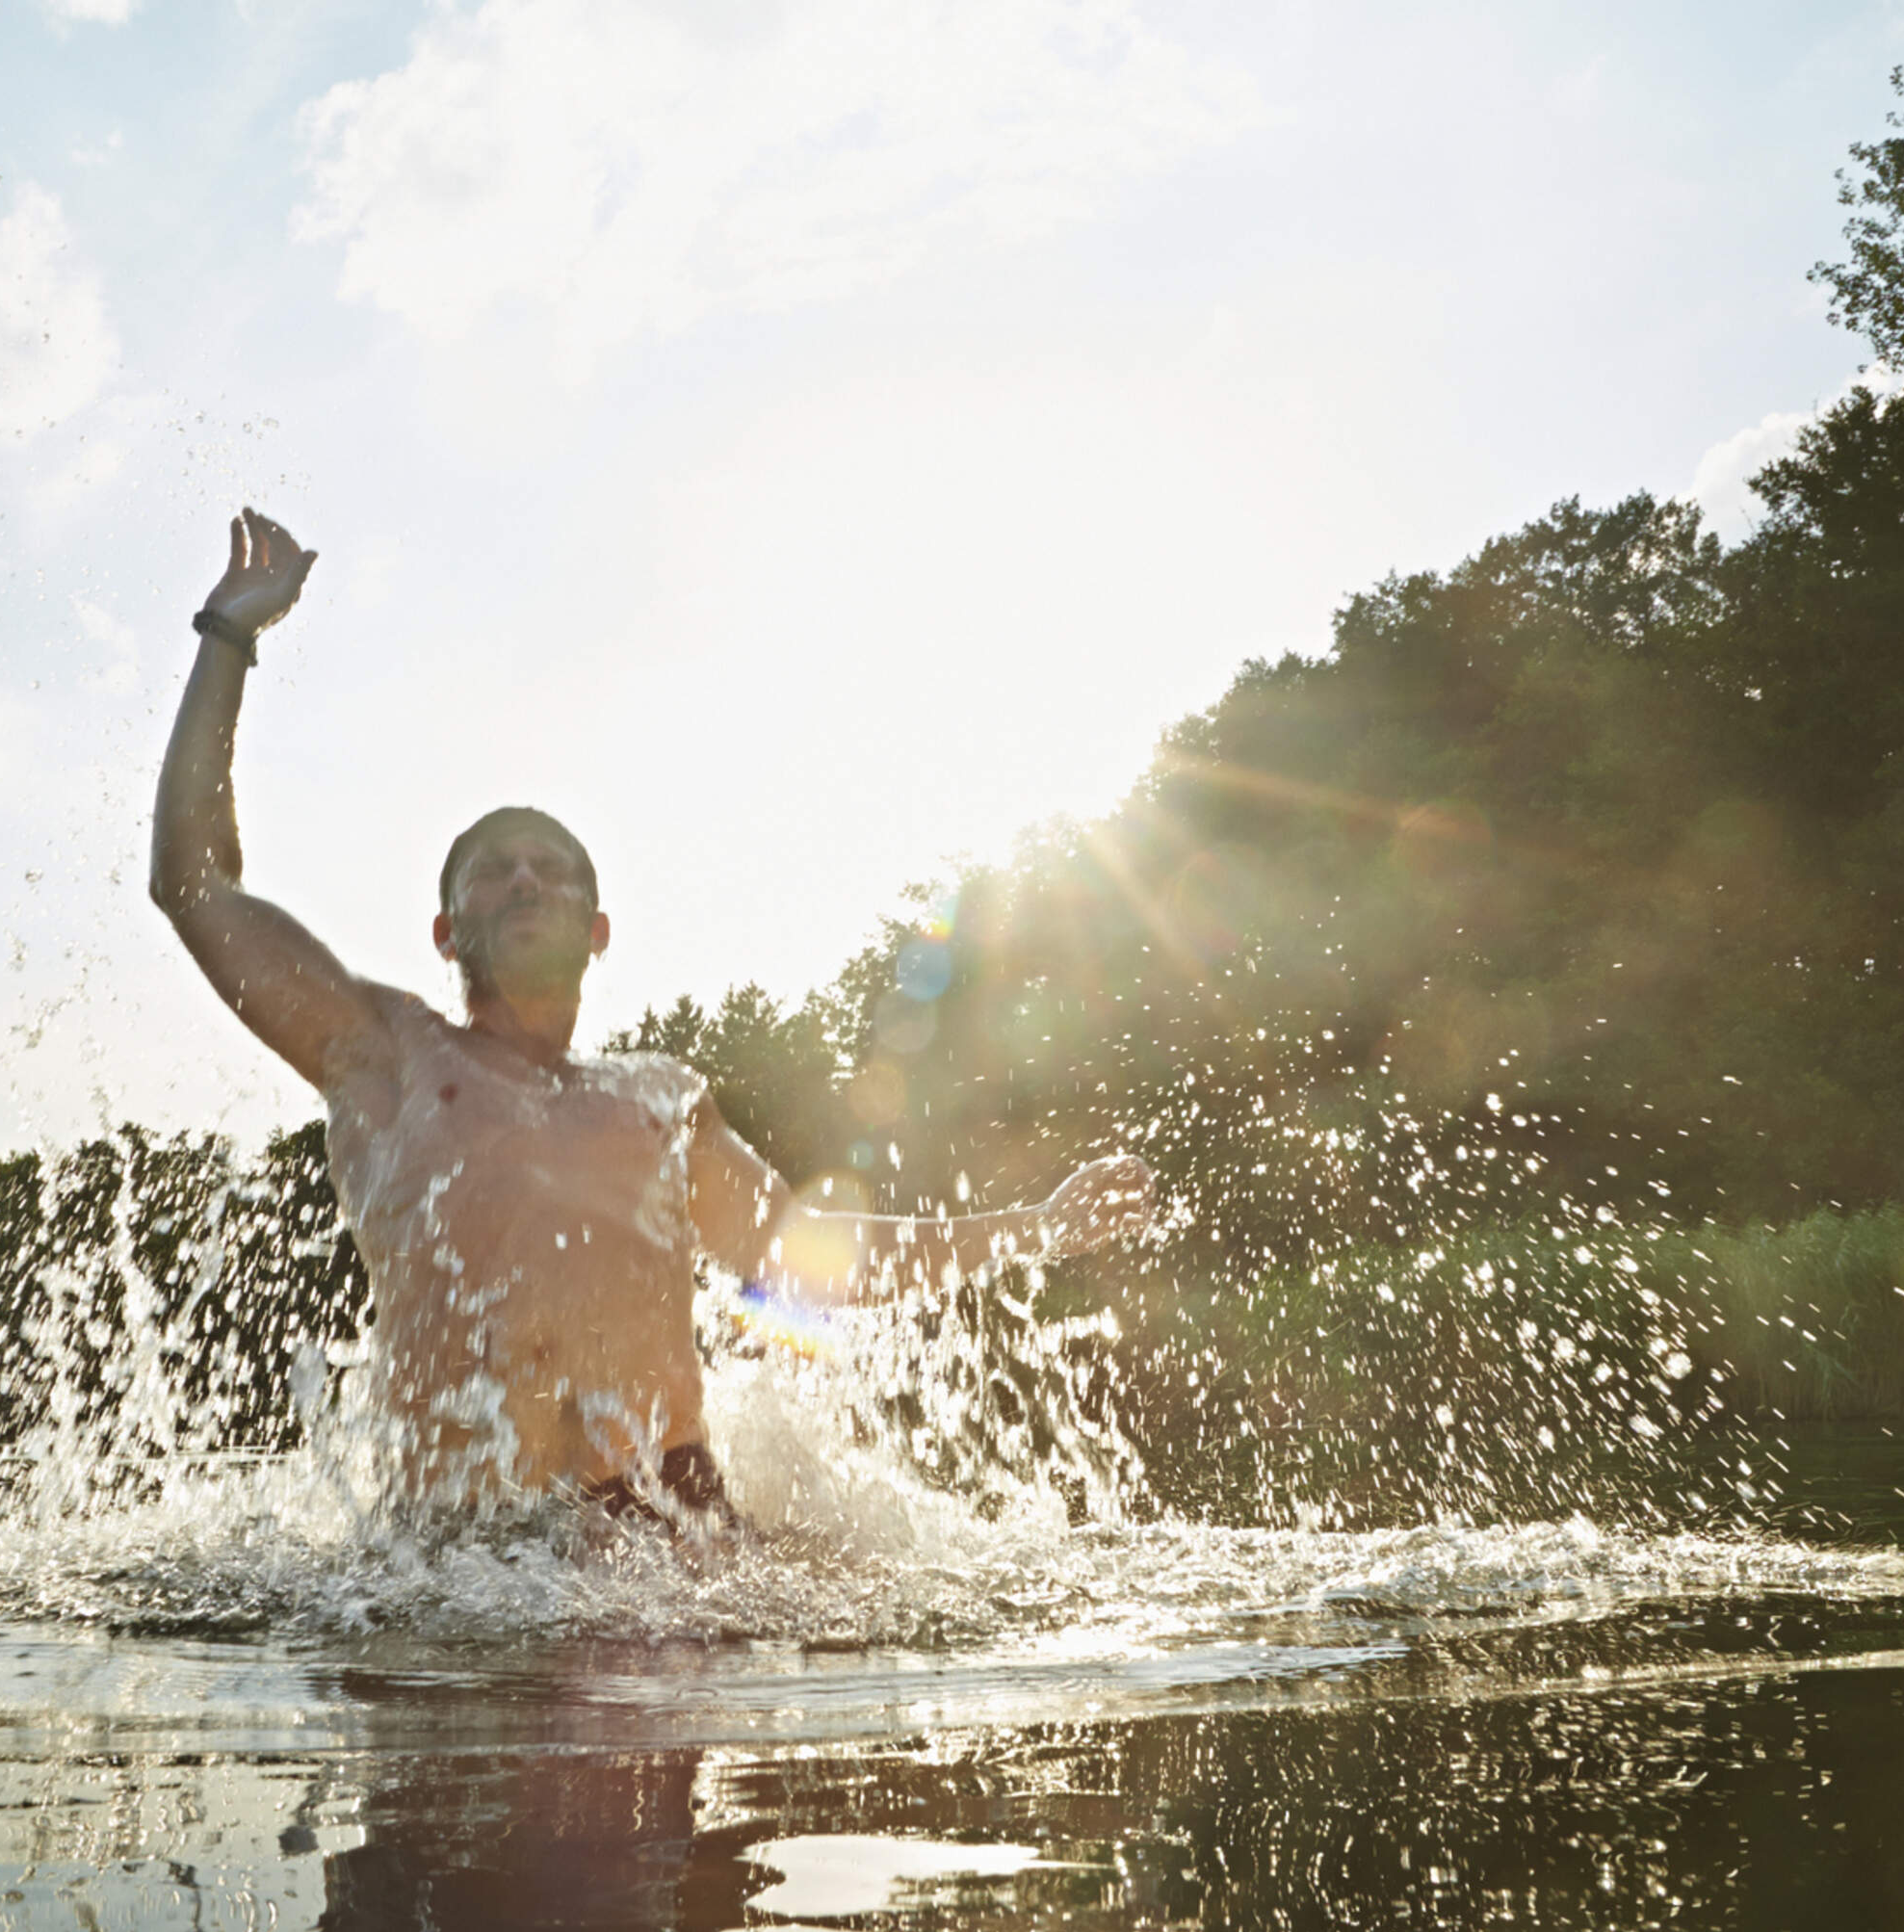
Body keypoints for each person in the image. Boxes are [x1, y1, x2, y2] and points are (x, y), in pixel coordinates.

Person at [149, 509, 1155, 1519]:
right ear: (447, 933)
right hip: (456, 1564)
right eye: (494, 873)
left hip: (669, 1546)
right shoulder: (384, 1053)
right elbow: (194, 884)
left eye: (555, 871)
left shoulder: (662, 1099)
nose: (528, 881)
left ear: (599, 930)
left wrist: (1037, 1223)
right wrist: (229, 638)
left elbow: (803, 1255)